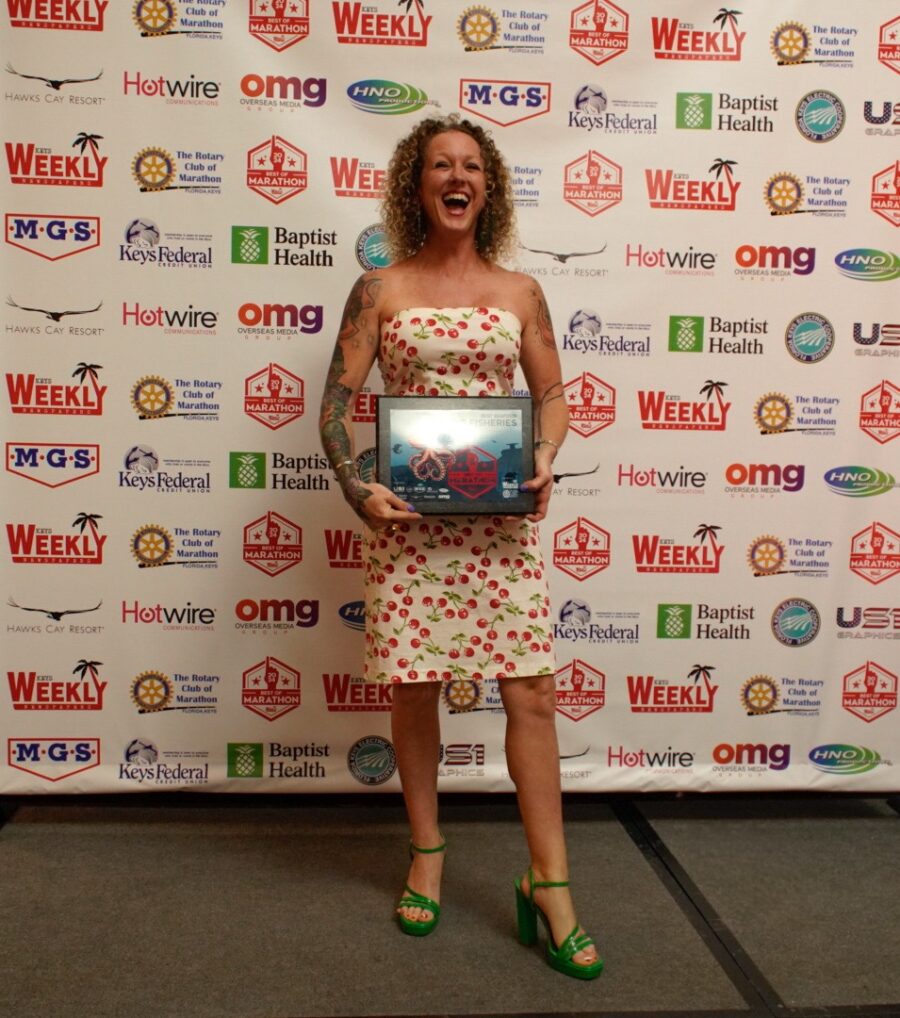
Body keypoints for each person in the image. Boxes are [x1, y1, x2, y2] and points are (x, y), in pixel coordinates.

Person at [318, 114, 602, 980]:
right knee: (414, 695)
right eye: (440, 164)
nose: (457, 176)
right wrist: (355, 483)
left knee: (533, 697)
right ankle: (427, 851)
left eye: (471, 165)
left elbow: (553, 398)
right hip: (408, 527)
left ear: (488, 187)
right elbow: (334, 406)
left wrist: (547, 455)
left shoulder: (520, 293)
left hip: (500, 524)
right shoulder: (379, 289)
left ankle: (549, 883)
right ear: (418, 184)